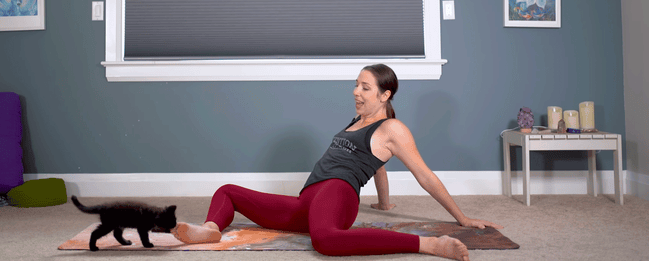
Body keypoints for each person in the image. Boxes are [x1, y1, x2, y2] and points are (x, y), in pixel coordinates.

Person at [172, 64, 502, 260]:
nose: (356, 91)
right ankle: (211, 231)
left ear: (385, 95)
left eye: (365, 87)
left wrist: (461, 217)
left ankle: (428, 245)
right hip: (307, 199)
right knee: (228, 191)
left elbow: (424, 175)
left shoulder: (393, 128)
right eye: (356, 85)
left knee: (326, 241)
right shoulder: (357, 120)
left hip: (338, 194)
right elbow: (378, 163)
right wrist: (384, 204)